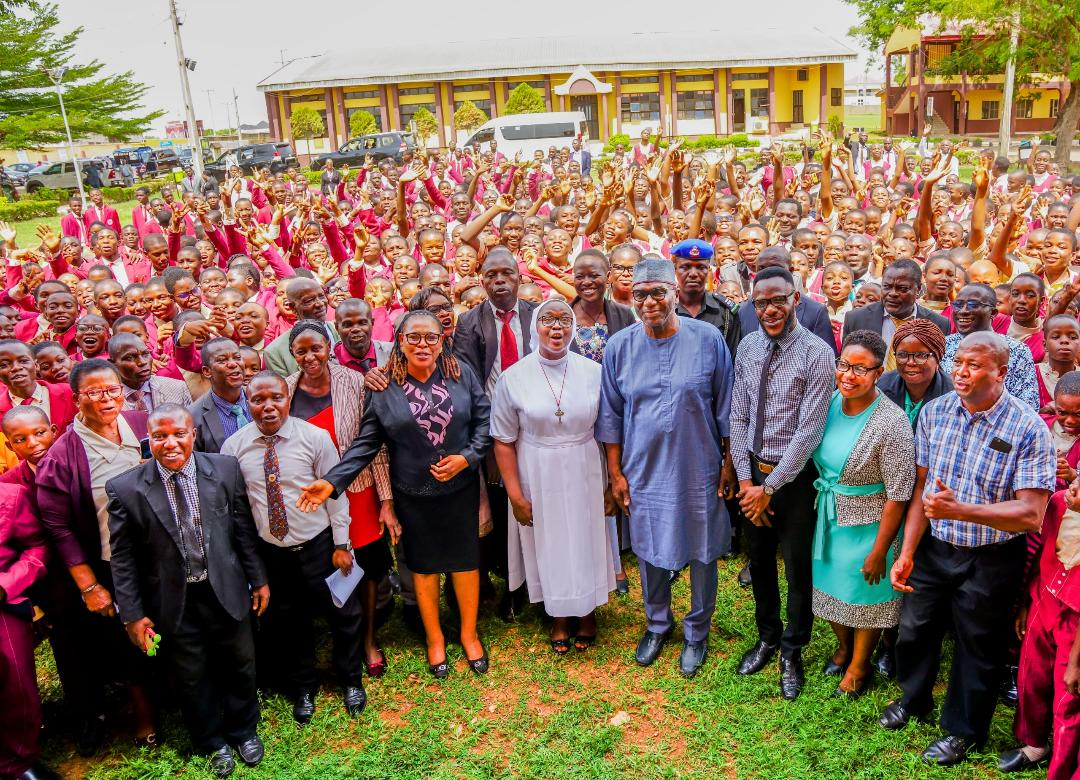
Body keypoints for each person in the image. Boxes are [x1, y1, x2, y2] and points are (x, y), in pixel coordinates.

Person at [882, 332, 1055, 766]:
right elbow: (923, 487)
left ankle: (962, 731)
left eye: (974, 365)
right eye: (958, 362)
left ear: (1000, 372)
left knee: (977, 643)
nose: (961, 372)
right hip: (934, 548)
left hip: (993, 557)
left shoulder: (1027, 427)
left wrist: (963, 510)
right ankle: (915, 698)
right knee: (914, 629)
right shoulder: (936, 413)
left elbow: (1031, 513)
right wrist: (907, 551)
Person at [297, 310, 493, 679]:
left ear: (441, 341)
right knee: (421, 566)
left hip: (459, 490)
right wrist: (332, 481)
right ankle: (435, 639)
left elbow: (484, 421)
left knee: (465, 561)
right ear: (400, 342)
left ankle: (468, 633)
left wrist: (466, 459)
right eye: (414, 337)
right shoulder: (384, 385)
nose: (423, 344)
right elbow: (367, 442)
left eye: (431, 337)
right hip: (414, 494)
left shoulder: (459, 373)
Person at [106, 405, 269, 778]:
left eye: (179, 433)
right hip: (173, 599)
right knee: (191, 673)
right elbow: (124, 558)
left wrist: (258, 579)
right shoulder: (126, 488)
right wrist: (131, 613)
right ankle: (211, 740)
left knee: (240, 662)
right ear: (149, 440)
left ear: (192, 433)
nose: (171, 443)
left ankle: (244, 729)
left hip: (224, 588)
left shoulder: (225, 469)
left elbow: (242, 531)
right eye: (160, 437)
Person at [596, 256, 734, 678]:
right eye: (641, 295)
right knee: (649, 546)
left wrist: (728, 465)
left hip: (700, 466)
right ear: (630, 298)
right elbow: (611, 417)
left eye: (658, 292)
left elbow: (727, 406)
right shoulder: (620, 346)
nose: (650, 302)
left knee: (703, 548)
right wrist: (616, 474)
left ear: (675, 292)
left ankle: (697, 630)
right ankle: (658, 623)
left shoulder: (708, 338)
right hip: (643, 468)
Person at [220, 372, 367, 725]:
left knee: (344, 614)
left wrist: (341, 543)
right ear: (247, 402)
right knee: (290, 621)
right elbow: (239, 509)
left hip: (319, 545)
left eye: (276, 397)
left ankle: (350, 679)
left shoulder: (314, 438)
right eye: (258, 399)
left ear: (288, 398)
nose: (268, 406)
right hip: (273, 552)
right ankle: (303, 686)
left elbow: (334, 492)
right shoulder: (234, 448)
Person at [34, 359, 155, 752]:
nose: (107, 398)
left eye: (113, 389)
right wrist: (89, 585)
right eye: (95, 392)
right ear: (75, 399)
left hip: (159, 556)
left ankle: (171, 693)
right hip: (112, 563)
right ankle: (142, 714)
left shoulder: (141, 424)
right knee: (128, 638)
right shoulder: (62, 457)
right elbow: (59, 528)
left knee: (165, 626)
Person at [730, 267, 835, 701]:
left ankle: (792, 650)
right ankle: (767, 636)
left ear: (795, 300)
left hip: (794, 480)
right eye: (761, 303)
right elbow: (737, 416)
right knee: (758, 561)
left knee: (796, 568)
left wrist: (768, 488)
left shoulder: (817, 353)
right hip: (751, 476)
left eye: (778, 301)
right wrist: (744, 479)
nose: (770, 310)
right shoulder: (749, 346)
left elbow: (809, 431)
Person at [491, 299, 614, 654]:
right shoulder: (513, 377)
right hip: (537, 467)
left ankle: (587, 610)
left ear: (573, 327)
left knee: (585, 534)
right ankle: (559, 613)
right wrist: (515, 495)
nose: (556, 327)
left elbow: (607, 430)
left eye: (564, 319)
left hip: (585, 464)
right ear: (535, 326)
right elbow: (503, 440)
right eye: (548, 319)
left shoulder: (593, 371)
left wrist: (610, 482)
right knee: (551, 540)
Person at [284, 321, 394, 676]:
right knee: (332, 565)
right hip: (313, 495)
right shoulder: (285, 390)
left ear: (329, 346)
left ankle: (368, 639)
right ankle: (343, 637)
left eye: (316, 347)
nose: (310, 356)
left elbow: (373, 443)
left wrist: (386, 499)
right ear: (292, 355)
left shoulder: (355, 381)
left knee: (367, 567)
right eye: (301, 350)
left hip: (358, 489)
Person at [811, 330, 915, 697]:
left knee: (865, 597)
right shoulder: (828, 404)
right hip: (830, 516)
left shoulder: (892, 422)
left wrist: (879, 550)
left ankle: (859, 666)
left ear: (878, 372)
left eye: (861, 369)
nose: (849, 375)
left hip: (870, 524)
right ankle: (843, 648)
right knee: (831, 590)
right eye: (844, 365)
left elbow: (899, 494)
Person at [999, 477, 1080, 776]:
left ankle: (1062, 768)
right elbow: (1039, 552)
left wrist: (1076, 661)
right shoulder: (1058, 502)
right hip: (1044, 597)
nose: (1074, 486)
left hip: (1076, 621)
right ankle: (1034, 744)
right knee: (1030, 673)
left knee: (1068, 696)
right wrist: (1024, 603)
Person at [0, 481, 55, 780]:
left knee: (16, 686)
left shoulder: (10, 497)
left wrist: (5, 585)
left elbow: (38, 547)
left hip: (3, 605)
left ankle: (18, 761)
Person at [940, 284, 1040, 410]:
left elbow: (1028, 406)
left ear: (993, 313)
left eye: (973, 305)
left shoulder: (1017, 351)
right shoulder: (943, 345)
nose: (963, 311)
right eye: (958, 305)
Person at [841, 259, 949, 370]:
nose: (892, 293)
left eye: (902, 288)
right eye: (887, 287)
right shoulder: (856, 318)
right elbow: (846, 364)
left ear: (918, 289)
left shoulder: (938, 324)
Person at [671, 239, 741, 358]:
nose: (693, 273)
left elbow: (732, 360)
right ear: (675, 270)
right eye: (685, 267)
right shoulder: (666, 310)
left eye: (700, 267)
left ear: (709, 270)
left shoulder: (726, 311)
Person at [189, 338, 252, 454]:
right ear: (207, 371)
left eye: (237, 358)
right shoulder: (193, 416)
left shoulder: (261, 398)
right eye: (222, 360)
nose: (233, 364)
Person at [109, 333, 192, 412]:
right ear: (113, 364)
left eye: (145, 354)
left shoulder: (178, 388)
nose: (142, 362)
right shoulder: (107, 398)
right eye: (129, 358)